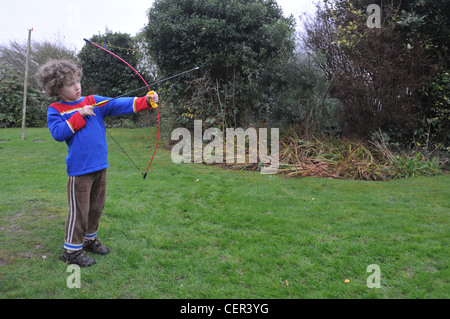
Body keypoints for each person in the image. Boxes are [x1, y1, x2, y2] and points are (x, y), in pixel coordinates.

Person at [35, 59, 158, 267]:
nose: (77, 86)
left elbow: (118, 104)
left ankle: (89, 240)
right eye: (70, 84)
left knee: (96, 208)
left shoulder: (93, 100)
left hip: (100, 166)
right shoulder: (56, 109)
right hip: (79, 170)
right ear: (57, 88)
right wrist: (79, 114)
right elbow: (58, 133)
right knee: (79, 211)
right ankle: (71, 251)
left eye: (77, 81)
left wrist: (145, 101)